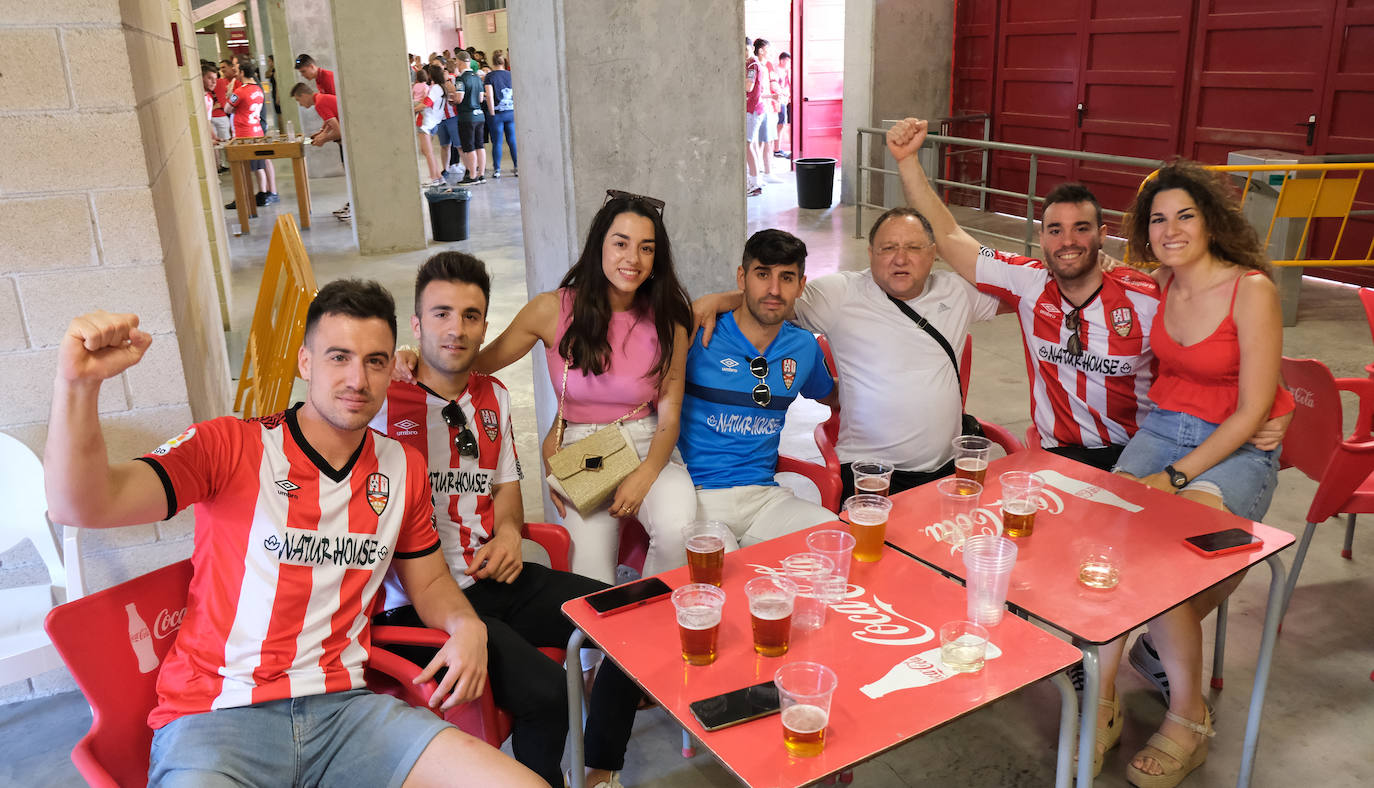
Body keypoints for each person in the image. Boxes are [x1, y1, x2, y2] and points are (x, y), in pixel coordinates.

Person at [42, 281, 542, 788]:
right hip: (217, 719)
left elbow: (430, 584)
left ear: (393, 367)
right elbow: (81, 503)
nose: (357, 379)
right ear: (306, 362)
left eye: (374, 361)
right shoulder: (230, 446)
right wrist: (77, 386)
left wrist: (467, 626)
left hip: (345, 714)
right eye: (338, 357)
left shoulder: (402, 468)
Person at [884, 117, 1290, 473]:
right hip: (1058, 456)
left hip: (1141, 448)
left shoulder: (1149, 293)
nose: (1068, 241)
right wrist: (907, 161)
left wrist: (1280, 406)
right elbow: (951, 235)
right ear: (1041, 238)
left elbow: (1230, 348)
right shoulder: (1027, 282)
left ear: (1103, 236)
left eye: (1082, 228)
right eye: (1055, 229)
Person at [374, 252, 643, 788]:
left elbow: (507, 495)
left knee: (632, 620)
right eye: (442, 313)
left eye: (470, 315)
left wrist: (509, 533)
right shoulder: (382, 401)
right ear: (417, 324)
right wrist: (389, 360)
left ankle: (599, 771)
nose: (456, 329)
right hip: (420, 608)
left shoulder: (492, 395)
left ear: (485, 326)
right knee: (548, 693)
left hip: (496, 579)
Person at [1105, 160, 1293, 788]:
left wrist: (1178, 479)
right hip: (1161, 430)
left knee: (1172, 567)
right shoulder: (1160, 281)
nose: (1171, 228)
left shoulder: (1251, 289)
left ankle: (1188, 718)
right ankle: (1104, 693)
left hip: (1234, 448)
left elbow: (1253, 410)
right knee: (1103, 540)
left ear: (1211, 222)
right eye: (1158, 219)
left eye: (1185, 215)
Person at [396, 192, 696, 584]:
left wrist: (647, 473)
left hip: (647, 444)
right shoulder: (552, 309)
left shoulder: (669, 322)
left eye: (646, 248)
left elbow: (669, 416)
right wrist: (412, 354)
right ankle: (600, 645)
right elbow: (475, 361)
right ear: (599, 246)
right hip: (580, 450)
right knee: (590, 578)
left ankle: (652, 625)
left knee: (679, 530)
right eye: (620, 243)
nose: (632, 259)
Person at [696, 206, 1000, 500]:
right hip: (870, 472)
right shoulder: (840, 294)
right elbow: (773, 299)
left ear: (934, 253)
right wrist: (718, 300)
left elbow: (1027, 293)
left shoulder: (957, 292)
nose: (900, 259)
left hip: (950, 468)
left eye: (914, 247)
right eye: (888, 248)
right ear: (870, 254)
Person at [680, 230, 839, 544]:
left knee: (831, 537)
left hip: (765, 497)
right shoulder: (698, 333)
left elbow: (832, 396)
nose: (774, 290)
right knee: (723, 579)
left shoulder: (804, 346)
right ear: (742, 278)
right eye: (763, 274)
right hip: (698, 497)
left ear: (801, 286)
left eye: (787, 278)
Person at [291, 83, 348, 221]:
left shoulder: (320, 103)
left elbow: (338, 130)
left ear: (304, 95)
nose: (300, 104)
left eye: (298, 100)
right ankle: (351, 205)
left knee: (350, 175)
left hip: (346, 142)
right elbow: (331, 122)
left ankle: (353, 207)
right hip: (343, 142)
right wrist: (321, 134)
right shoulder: (321, 99)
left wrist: (323, 139)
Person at [226, 61, 277, 207]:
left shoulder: (240, 91)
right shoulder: (258, 90)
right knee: (258, 165)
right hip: (257, 130)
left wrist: (233, 100)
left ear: (242, 72)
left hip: (243, 132)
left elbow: (228, 108)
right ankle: (262, 193)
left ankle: (244, 197)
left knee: (243, 168)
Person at [744, 38, 778, 196]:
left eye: (746, 48)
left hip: (753, 110)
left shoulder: (752, 65)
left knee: (748, 145)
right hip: (755, 109)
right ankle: (754, 179)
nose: (743, 52)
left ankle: (755, 182)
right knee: (751, 145)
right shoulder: (754, 65)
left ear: (752, 48)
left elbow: (748, 86)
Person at [452, 51, 487, 185]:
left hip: (467, 117)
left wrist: (453, 99)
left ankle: (472, 176)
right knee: (480, 145)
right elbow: (480, 98)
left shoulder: (461, 79)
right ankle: (481, 174)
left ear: (459, 62)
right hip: (480, 116)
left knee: (469, 147)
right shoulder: (477, 77)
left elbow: (459, 99)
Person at [484, 53, 517, 178]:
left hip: (497, 113)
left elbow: (490, 95)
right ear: (503, 62)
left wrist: (492, 113)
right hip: (511, 112)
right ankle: (517, 166)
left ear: (492, 62)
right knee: (512, 139)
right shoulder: (510, 74)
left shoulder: (489, 76)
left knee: (497, 142)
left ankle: (497, 169)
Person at [414, 68, 445, 186]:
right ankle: (438, 176)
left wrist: (414, 109)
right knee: (427, 151)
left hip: (426, 122)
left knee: (428, 152)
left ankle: (434, 178)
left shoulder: (435, 88)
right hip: (433, 122)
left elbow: (427, 103)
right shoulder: (441, 88)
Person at [206, 64, 231, 173]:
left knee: (217, 145)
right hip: (220, 116)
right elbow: (227, 98)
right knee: (225, 143)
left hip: (215, 117)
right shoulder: (223, 83)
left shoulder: (208, 98)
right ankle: (226, 164)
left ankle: (218, 166)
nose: (213, 82)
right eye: (209, 78)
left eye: (214, 78)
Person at [772, 52, 792, 160]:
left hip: (786, 100)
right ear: (782, 60)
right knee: (780, 125)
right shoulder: (776, 70)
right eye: (788, 61)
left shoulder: (787, 71)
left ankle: (777, 149)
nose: (789, 63)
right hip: (780, 100)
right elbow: (776, 86)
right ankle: (776, 149)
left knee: (783, 125)